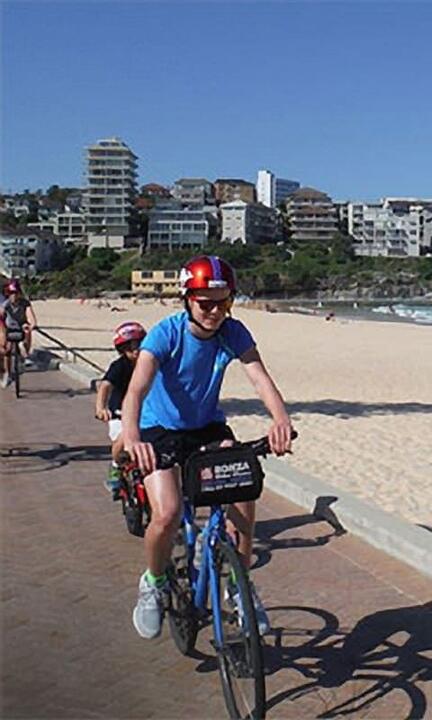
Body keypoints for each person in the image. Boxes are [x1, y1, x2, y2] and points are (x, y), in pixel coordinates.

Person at [121, 255, 293, 640]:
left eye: (223, 301)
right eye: (205, 302)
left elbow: (260, 379)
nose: (215, 311)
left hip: (206, 427)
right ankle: (154, 582)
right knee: (166, 514)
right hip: (159, 429)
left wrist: (281, 419)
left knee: (243, 486)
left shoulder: (233, 333)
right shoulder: (166, 334)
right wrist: (132, 436)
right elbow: (136, 389)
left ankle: (239, 583)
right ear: (188, 299)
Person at [95, 321, 146, 497]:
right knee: (122, 440)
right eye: (130, 347)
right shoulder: (119, 366)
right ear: (122, 350)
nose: (136, 350)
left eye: (140, 344)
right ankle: (115, 468)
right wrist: (101, 407)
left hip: (146, 413)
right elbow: (105, 386)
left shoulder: (150, 363)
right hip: (120, 414)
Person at [1, 278, 38, 387]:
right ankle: (7, 374)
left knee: (27, 332)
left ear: (19, 293)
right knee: (7, 349)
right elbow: (1, 312)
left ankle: (25, 355)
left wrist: (32, 325)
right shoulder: (6, 303)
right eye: (11, 293)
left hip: (21, 327)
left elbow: (31, 316)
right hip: (9, 328)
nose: (13, 296)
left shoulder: (25, 303)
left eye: (15, 293)